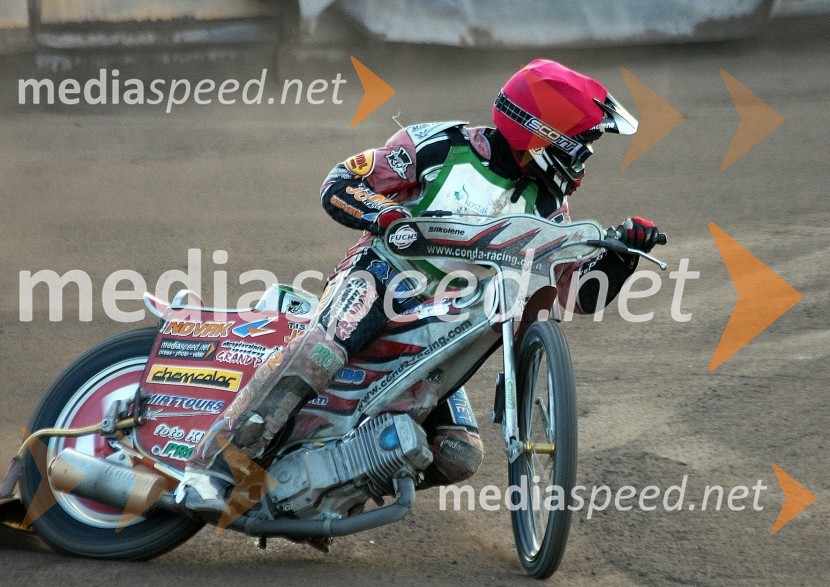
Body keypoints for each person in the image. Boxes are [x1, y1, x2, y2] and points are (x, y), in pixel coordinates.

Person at [176, 59, 662, 513]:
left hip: (452, 318)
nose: (583, 159)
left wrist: (623, 256)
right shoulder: (436, 146)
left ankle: (328, 488)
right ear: (539, 134)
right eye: (579, 145)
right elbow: (340, 182)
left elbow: (574, 296)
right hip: (381, 275)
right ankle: (208, 472)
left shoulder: (548, 205)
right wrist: (384, 214)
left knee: (458, 455)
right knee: (319, 354)